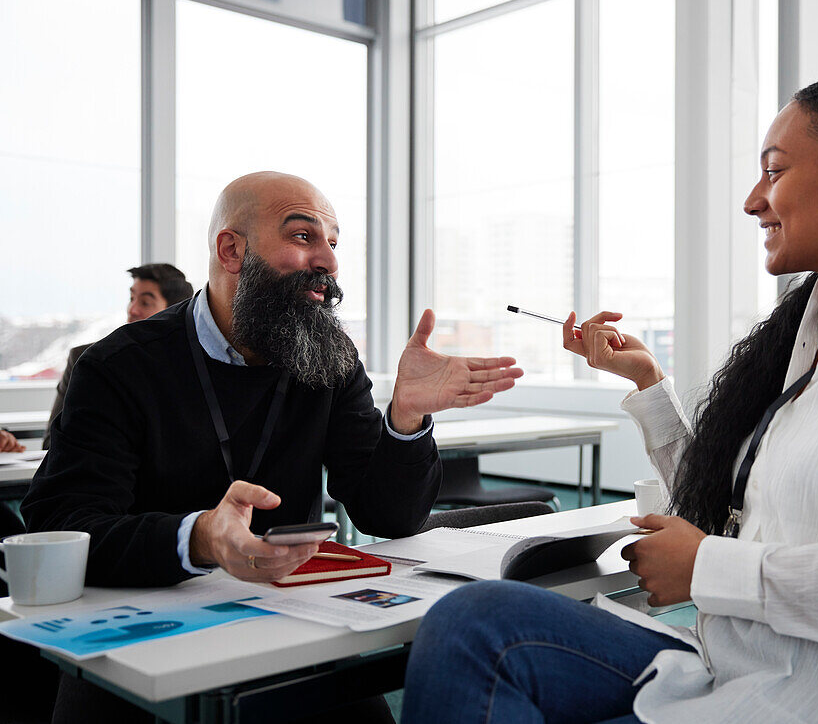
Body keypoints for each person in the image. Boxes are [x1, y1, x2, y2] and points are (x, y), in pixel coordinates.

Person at [399, 75, 818, 724]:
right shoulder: (815, 338)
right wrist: (648, 386)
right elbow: (731, 508)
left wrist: (706, 568)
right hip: (745, 667)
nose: (753, 201)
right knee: (473, 623)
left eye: (774, 171)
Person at [21, 171, 523, 723]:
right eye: (304, 237)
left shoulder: (329, 357)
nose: (329, 262)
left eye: (333, 244)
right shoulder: (118, 366)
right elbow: (65, 523)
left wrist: (405, 417)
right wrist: (201, 537)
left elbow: (390, 515)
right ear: (232, 250)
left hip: (296, 632)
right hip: (142, 650)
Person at [42, 263, 194, 449]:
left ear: (174, 312)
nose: (132, 309)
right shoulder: (88, 359)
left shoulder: (191, 366)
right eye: (131, 298)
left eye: (145, 302)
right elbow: (52, 443)